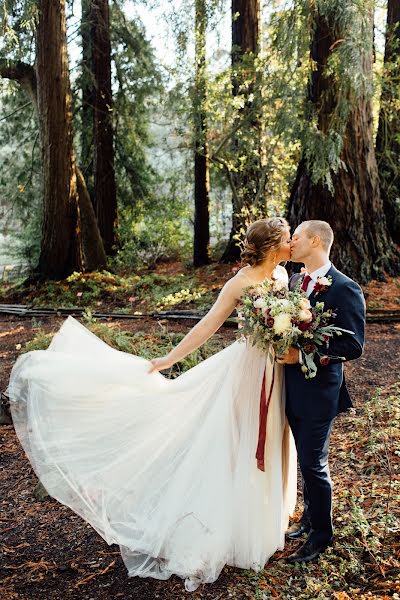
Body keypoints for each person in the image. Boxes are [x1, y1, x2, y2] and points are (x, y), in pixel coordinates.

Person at [8, 217, 297, 592]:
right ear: (274, 244)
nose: (292, 243)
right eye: (289, 238)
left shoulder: (283, 279)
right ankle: (231, 528)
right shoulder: (240, 282)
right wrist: (169, 358)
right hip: (245, 373)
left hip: (277, 372)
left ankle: (264, 522)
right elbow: (207, 326)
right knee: (237, 444)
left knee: (271, 438)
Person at [277, 220, 366, 563]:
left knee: (314, 463)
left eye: (296, 237)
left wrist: (305, 354)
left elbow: (354, 344)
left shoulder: (345, 287)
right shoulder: (297, 281)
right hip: (293, 387)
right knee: (304, 458)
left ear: (315, 241)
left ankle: (321, 535)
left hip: (320, 392)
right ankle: (310, 518)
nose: (292, 243)